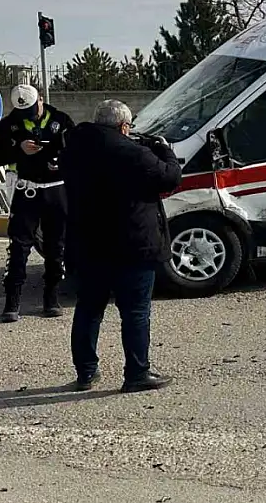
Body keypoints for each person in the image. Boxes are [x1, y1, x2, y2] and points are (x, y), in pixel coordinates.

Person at [60, 99, 182, 393]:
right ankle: (137, 373)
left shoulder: (73, 148)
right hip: (131, 245)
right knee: (136, 312)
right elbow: (170, 176)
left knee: (89, 309)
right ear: (124, 126)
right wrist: (164, 149)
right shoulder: (133, 153)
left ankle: (86, 373)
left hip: (87, 244)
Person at [0, 83, 75, 322]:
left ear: (41, 99)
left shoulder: (61, 119)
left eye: (32, 110)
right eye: (23, 113)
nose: (29, 116)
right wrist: (19, 150)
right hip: (27, 192)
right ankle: (12, 303)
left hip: (56, 191)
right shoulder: (8, 124)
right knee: (18, 248)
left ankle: (51, 298)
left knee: (56, 248)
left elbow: (77, 152)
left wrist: (62, 158)